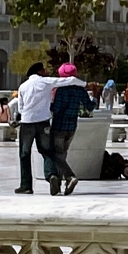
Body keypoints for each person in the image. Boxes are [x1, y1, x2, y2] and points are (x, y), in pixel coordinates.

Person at [14, 63, 88, 195]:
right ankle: (52, 175)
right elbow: (69, 80)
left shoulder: (23, 87)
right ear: (39, 72)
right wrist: (84, 84)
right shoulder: (46, 82)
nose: (46, 71)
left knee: (24, 154)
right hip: (43, 122)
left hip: (27, 123)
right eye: (43, 69)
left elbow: (20, 108)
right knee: (47, 151)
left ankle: (26, 186)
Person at [46, 64, 95, 196]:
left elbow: (56, 109)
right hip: (72, 126)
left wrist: (48, 104)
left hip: (59, 125)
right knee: (63, 154)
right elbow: (90, 106)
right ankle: (59, 184)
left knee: (56, 155)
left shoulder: (61, 90)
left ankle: (69, 177)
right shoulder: (80, 90)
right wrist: (94, 97)